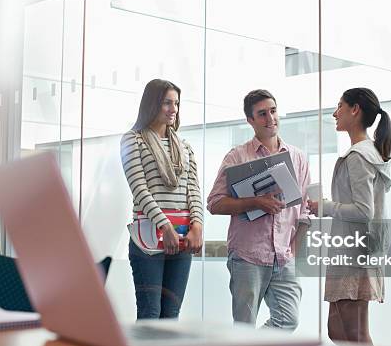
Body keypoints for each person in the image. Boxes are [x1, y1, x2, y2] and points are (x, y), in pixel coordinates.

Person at [207, 89, 311, 330]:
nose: (270, 118)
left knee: (288, 320)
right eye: (262, 114)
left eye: (273, 111)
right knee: (244, 326)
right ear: (250, 120)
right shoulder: (237, 156)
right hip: (247, 256)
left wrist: (294, 249)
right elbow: (214, 203)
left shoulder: (298, 158)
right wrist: (255, 201)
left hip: (284, 257)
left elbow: (304, 210)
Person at [308, 87, 391, 346]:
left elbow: (363, 211)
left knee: (355, 336)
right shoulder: (368, 153)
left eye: (340, 107)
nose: (335, 114)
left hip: (355, 255)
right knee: (337, 331)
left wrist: (326, 206)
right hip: (352, 251)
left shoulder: (359, 156)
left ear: (355, 110)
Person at [120, 79, 203, 320]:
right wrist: (164, 225)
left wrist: (197, 225)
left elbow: (193, 190)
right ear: (152, 104)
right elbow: (139, 189)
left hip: (183, 237)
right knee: (150, 314)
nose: (173, 109)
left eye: (176, 103)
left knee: (171, 316)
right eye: (167, 102)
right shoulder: (133, 139)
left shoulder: (185, 147)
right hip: (149, 238)